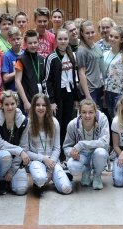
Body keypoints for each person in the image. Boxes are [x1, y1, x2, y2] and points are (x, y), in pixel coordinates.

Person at [44, 28, 80, 157]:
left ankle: (65, 153)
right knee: (57, 125)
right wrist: (52, 101)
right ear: (56, 40)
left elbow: (75, 77)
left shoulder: (72, 55)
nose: (63, 41)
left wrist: (76, 98)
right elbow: (47, 81)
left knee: (68, 123)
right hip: (57, 96)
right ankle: (56, 154)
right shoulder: (51, 57)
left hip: (69, 95)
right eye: (60, 39)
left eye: (65, 39)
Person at [26, 93, 71, 194]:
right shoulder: (28, 123)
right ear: (33, 107)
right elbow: (26, 151)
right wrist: (43, 158)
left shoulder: (54, 122)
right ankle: (42, 179)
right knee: (40, 179)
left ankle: (57, 177)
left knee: (66, 189)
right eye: (37, 105)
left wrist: (50, 169)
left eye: (44, 105)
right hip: (36, 160)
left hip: (52, 161)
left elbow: (57, 148)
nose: (41, 108)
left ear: (48, 107)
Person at [0, 91, 30, 195]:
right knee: (5, 156)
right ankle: (2, 179)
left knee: (21, 190)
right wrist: (20, 151)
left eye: (12, 104)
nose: (10, 107)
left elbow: (24, 146)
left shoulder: (24, 121)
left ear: (17, 104)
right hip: (1, 156)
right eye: (6, 104)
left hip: (17, 161)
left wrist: (12, 170)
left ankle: (11, 177)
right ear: (2, 105)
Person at [63, 99, 110, 190]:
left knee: (101, 152)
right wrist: (72, 153)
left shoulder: (102, 119)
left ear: (95, 113)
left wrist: (82, 144)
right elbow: (66, 147)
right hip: (82, 156)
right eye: (84, 112)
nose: (87, 116)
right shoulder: (73, 124)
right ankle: (86, 170)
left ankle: (97, 175)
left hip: (97, 153)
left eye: (90, 112)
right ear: (79, 112)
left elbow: (105, 143)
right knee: (72, 166)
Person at [102, 26, 123, 124]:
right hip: (107, 91)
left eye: (116, 37)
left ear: (121, 40)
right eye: (111, 36)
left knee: (119, 121)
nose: (112, 39)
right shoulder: (104, 54)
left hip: (118, 92)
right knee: (111, 120)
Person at [15, 29, 44, 112]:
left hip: (40, 100)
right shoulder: (21, 60)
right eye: (30, 43)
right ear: (25, 44)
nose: (33, 45)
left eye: (35, 42)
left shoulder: (41, 59)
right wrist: (25, 102)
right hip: (27, 100)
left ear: (38, 42)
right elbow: (17, 81)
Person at [76, 20, 104, 105]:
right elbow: (81, 73)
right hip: (90, 89)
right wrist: (88, 96)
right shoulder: (81, 50)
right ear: (82, 34)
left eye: (92, 32)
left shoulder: (97, 46)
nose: (91, 35)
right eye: (87, 33)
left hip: (99, 86)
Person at [1, 26, 23, 91]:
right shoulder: (7, 56)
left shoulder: (25, 54)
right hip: (12, 91)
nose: (16, 41)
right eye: (13, 39)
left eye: (18, 39)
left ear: (21, 39)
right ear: (9, 41)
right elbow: (5, 78)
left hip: (24, 90)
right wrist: (20, 71)